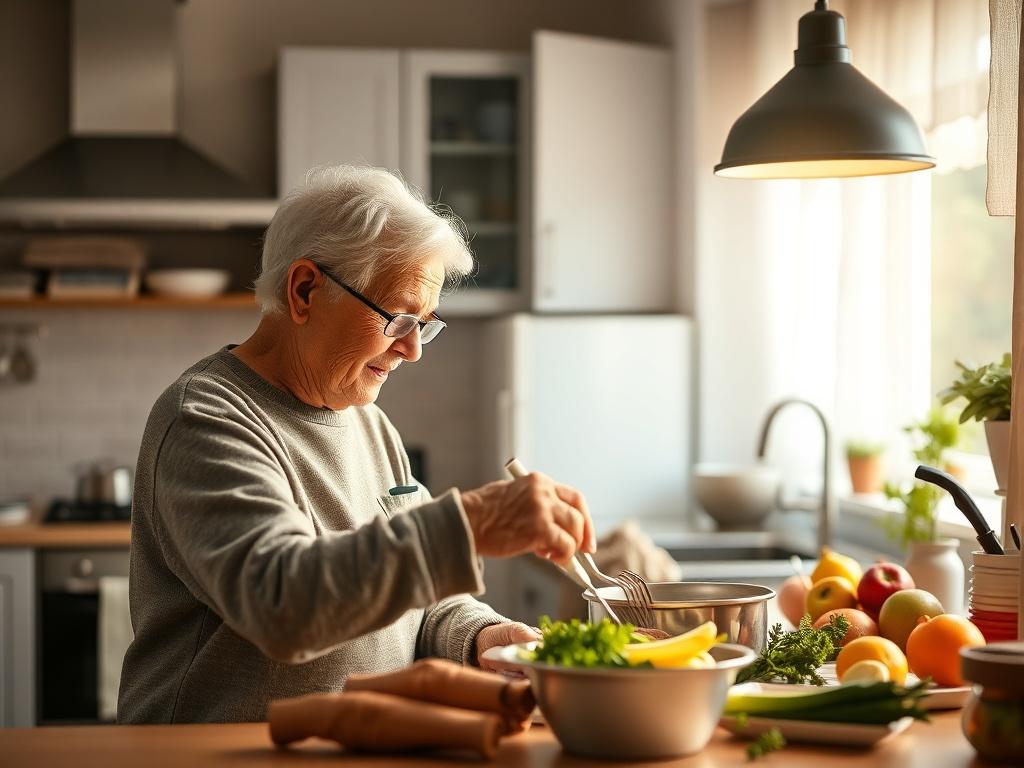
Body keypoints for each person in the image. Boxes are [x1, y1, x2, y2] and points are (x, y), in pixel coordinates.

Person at [117, 166, 595, 724]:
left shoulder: (367, 420)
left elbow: (415, 596)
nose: (413, 350)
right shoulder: (206, 419)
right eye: (398, 319)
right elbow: (282, 603)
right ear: (304, 291)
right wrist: (470, 522)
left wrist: (483, 636)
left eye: (426, 324)